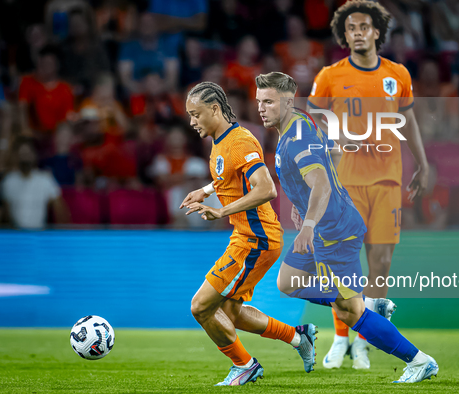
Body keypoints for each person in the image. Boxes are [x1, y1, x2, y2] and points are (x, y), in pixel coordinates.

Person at [256, 71, 438, 383]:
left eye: (269, 102)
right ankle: (367, 300)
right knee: (288, 282)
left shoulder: (296, 138)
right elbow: (335, 153)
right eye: (259, 101)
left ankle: (419, 360)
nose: (261, 108)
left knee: (350, 314)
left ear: (287, 102)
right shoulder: (300, 122)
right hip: (331, 223)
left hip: (335, 232)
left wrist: (310, 220)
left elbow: (322, 183)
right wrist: (308, 202)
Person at [307, 0, 429, 370]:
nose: (357, 33)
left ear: (377, 31)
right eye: (351, 29)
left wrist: (422, 163)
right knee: (341, 264)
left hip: (387, 181)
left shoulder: (397, 74)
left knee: (380, 263)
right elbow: (313, 119)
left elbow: (408, 120)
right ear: (344, 36)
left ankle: (363, 342)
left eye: (364, 27)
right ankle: (340, 338)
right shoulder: (329, 76)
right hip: (345, 183)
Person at [178, 82, 316, 386]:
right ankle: (298, 337)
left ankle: (245, 365)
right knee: (230, 312)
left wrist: (221, 211)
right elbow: (228, 176)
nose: (192, 122)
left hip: (257, 238)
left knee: (201, 306)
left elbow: (266, 188)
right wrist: (204, 191)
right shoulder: (220, 140)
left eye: (195, 114)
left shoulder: (239, 141)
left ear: (214, 109)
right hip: (248, 236)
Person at [0, 139, 68, 229]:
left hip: (39, 235)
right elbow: (6, 214)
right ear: (17, 156)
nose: (25, 157)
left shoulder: (45, 179)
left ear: (34, 155)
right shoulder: (9, 181)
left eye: (28, 153)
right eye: (22, 154)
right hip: (16, 235)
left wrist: (60, 236)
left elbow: (60, 210)